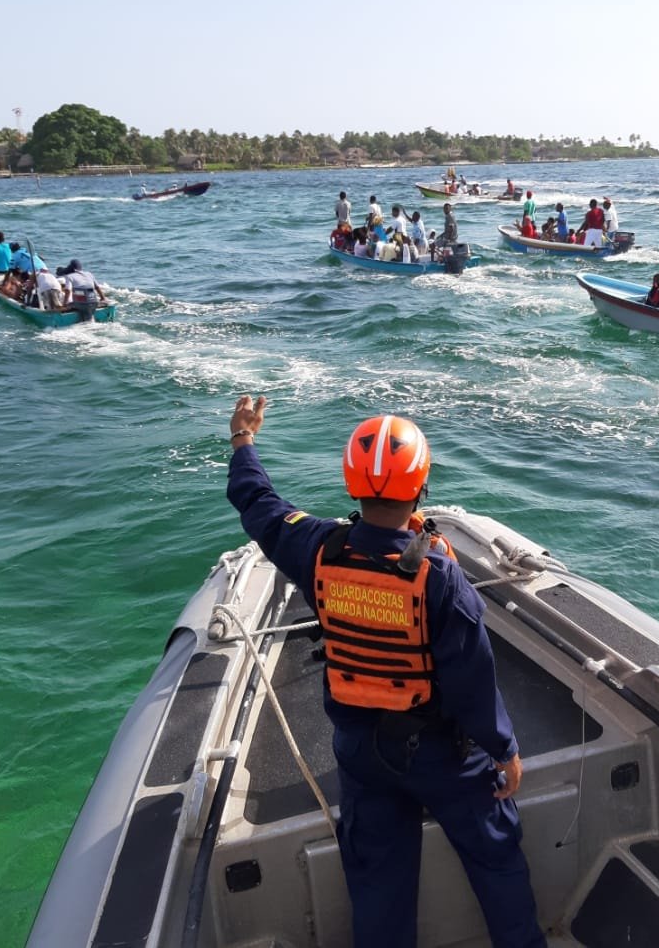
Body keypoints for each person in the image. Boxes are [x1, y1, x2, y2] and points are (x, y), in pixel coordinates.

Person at [225, 398, 546, 948]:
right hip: (443, 756)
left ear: (353, 484)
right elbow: (473, 681)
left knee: (378, 883)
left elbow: (259, 505)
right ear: (419, 488)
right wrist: (505, 749)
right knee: (496, 857)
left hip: (361, 754)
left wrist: (243, 444)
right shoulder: (442, 579)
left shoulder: (316, 548)